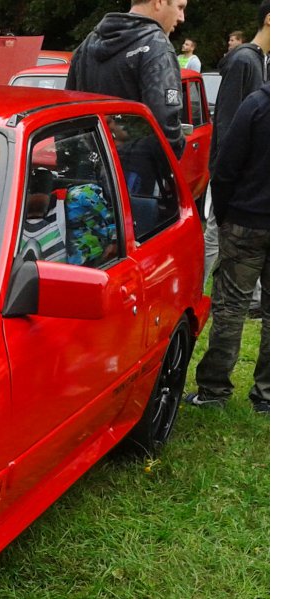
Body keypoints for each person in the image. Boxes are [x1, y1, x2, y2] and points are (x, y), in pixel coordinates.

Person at [186, 83, 269, 414]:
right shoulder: (257, 104)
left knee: (231, 307)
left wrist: (221, 215)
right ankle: (267, 395)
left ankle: (214, 389)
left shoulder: (257, 105)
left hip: (245, 222)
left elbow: (225, 166)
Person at [66, 0, 187, 159]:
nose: (182, 17)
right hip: (134, 170)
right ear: (159, 2)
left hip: (88, 167)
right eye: (180, 7)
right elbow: (166, 121)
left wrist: (69, 161)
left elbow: (68, 113)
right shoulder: (156, 46)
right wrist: (177, 149)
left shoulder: (87, 44)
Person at [203, 2, 269, 294]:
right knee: (216, 233)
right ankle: (197, 291)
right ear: (271, 20)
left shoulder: (260, 60)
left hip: (247, 174)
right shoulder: (244, 60)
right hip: (230, 173)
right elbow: (227, 122)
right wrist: (225, 174)